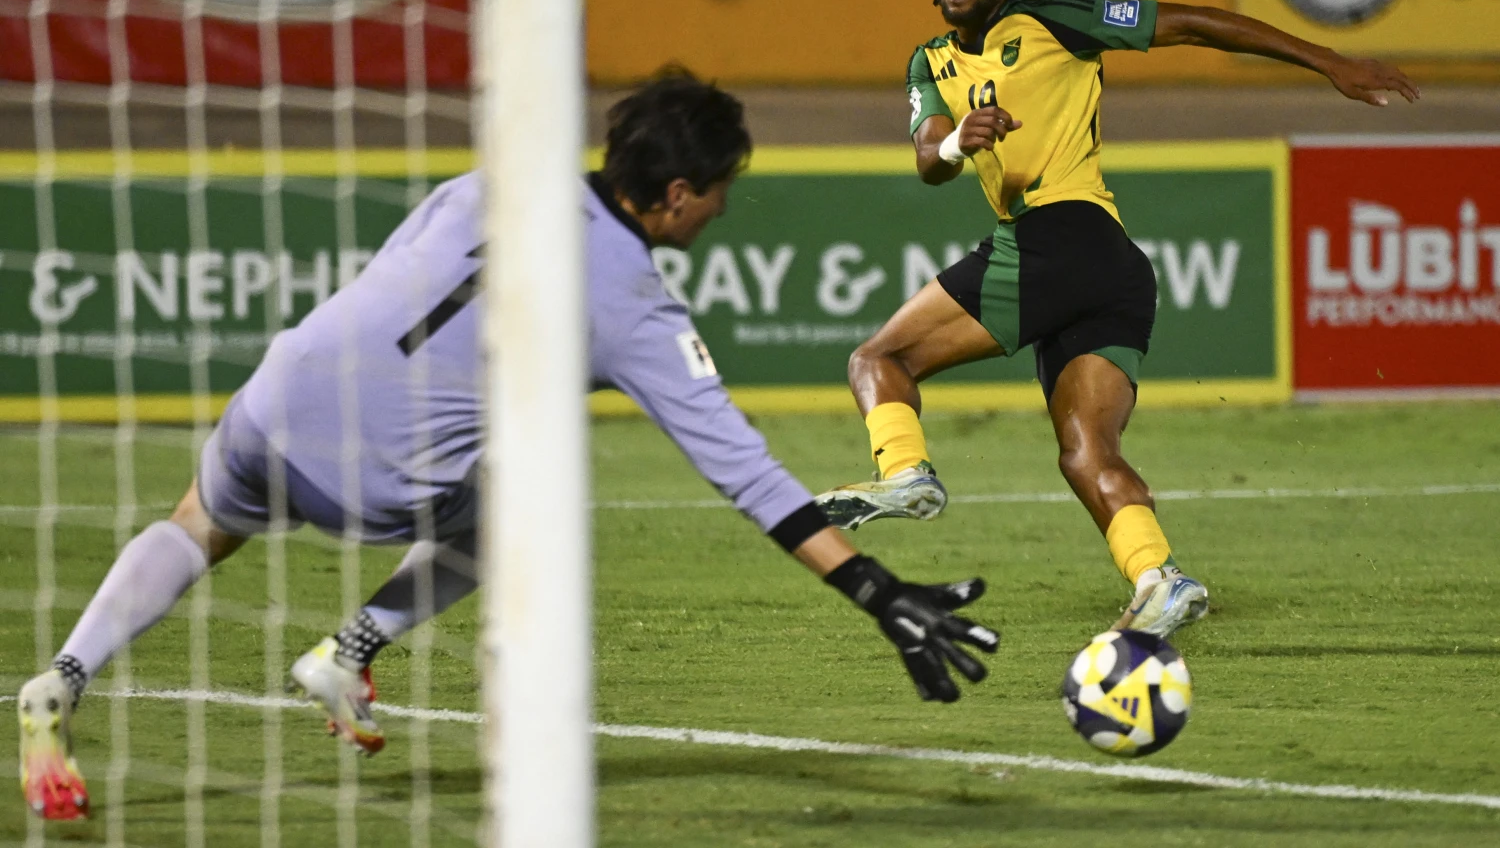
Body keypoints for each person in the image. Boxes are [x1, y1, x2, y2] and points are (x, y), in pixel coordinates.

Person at [15, 75, 999, 822]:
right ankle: (352, 645)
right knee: (524, 505)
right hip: (377, 480)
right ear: (675, 194)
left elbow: (396, 283)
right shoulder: (636, 306)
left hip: (275, 397)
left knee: (197, 521)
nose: (723, 211)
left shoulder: (487, 184)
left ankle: (62, 674)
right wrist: (878, 590)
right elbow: (743, 469)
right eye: (718, 193)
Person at [816, 0, 1419, 638]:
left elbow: (1195, 22)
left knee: (879, 358)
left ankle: (906, 475)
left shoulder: (1059, 21)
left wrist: (1330, 63)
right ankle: (1159, 578)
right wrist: (955, 144)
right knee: (1087, 453)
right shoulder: (930, 62)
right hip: (1113, 272)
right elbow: (928, 158)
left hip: (1059, 236)